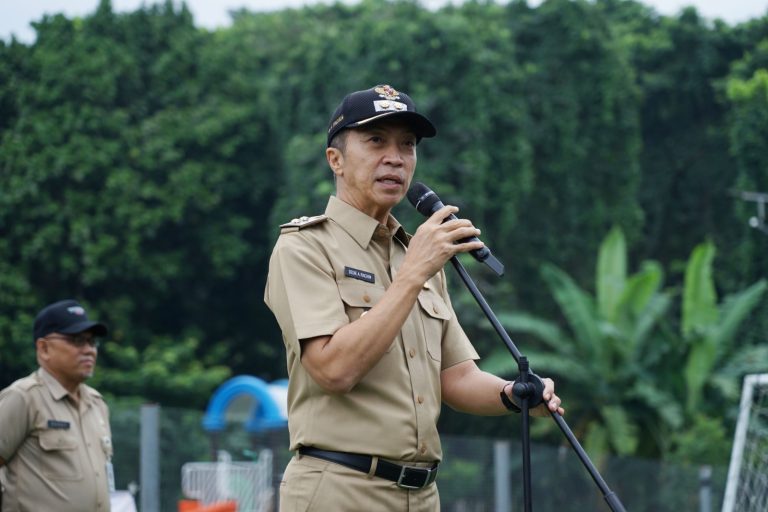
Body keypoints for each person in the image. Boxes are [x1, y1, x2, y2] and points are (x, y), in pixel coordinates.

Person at [264, 84, 564, 511]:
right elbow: (333, 369)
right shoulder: (305, 248)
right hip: (340, 489)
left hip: (422, 496)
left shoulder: (415, 253)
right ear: (336, 160)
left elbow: (455, 378)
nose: (395, 157)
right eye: (375, 141)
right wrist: (413, 274)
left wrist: (514, 395)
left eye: (407, 144)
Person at [0, 299, 113, 512]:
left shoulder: (97, 405)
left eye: (92, 342)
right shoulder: (24, 398)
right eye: (77, 340)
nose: (89, 350)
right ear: (44, 348)